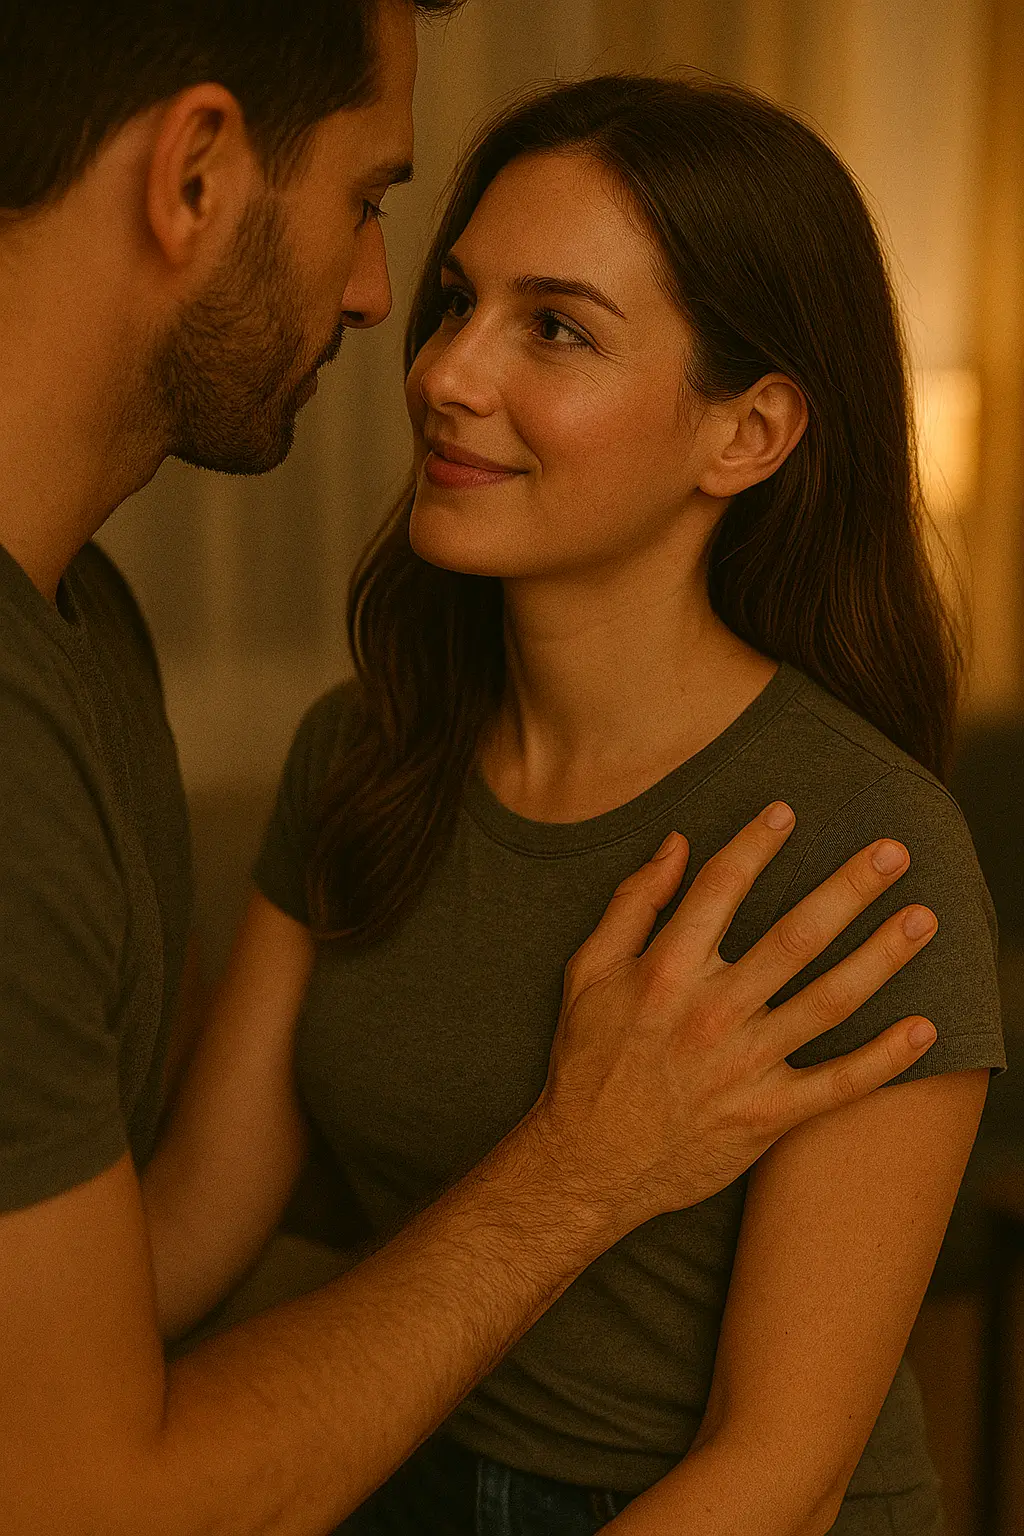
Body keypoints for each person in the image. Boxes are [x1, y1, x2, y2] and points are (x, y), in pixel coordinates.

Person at [0, 3, 963, 1532]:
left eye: (555, 328)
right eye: (457, 299)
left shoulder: (859, 842)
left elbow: (777, 1467)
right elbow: (175, 1236)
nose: (443, 368)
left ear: (750, 431)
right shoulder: (360, 757)